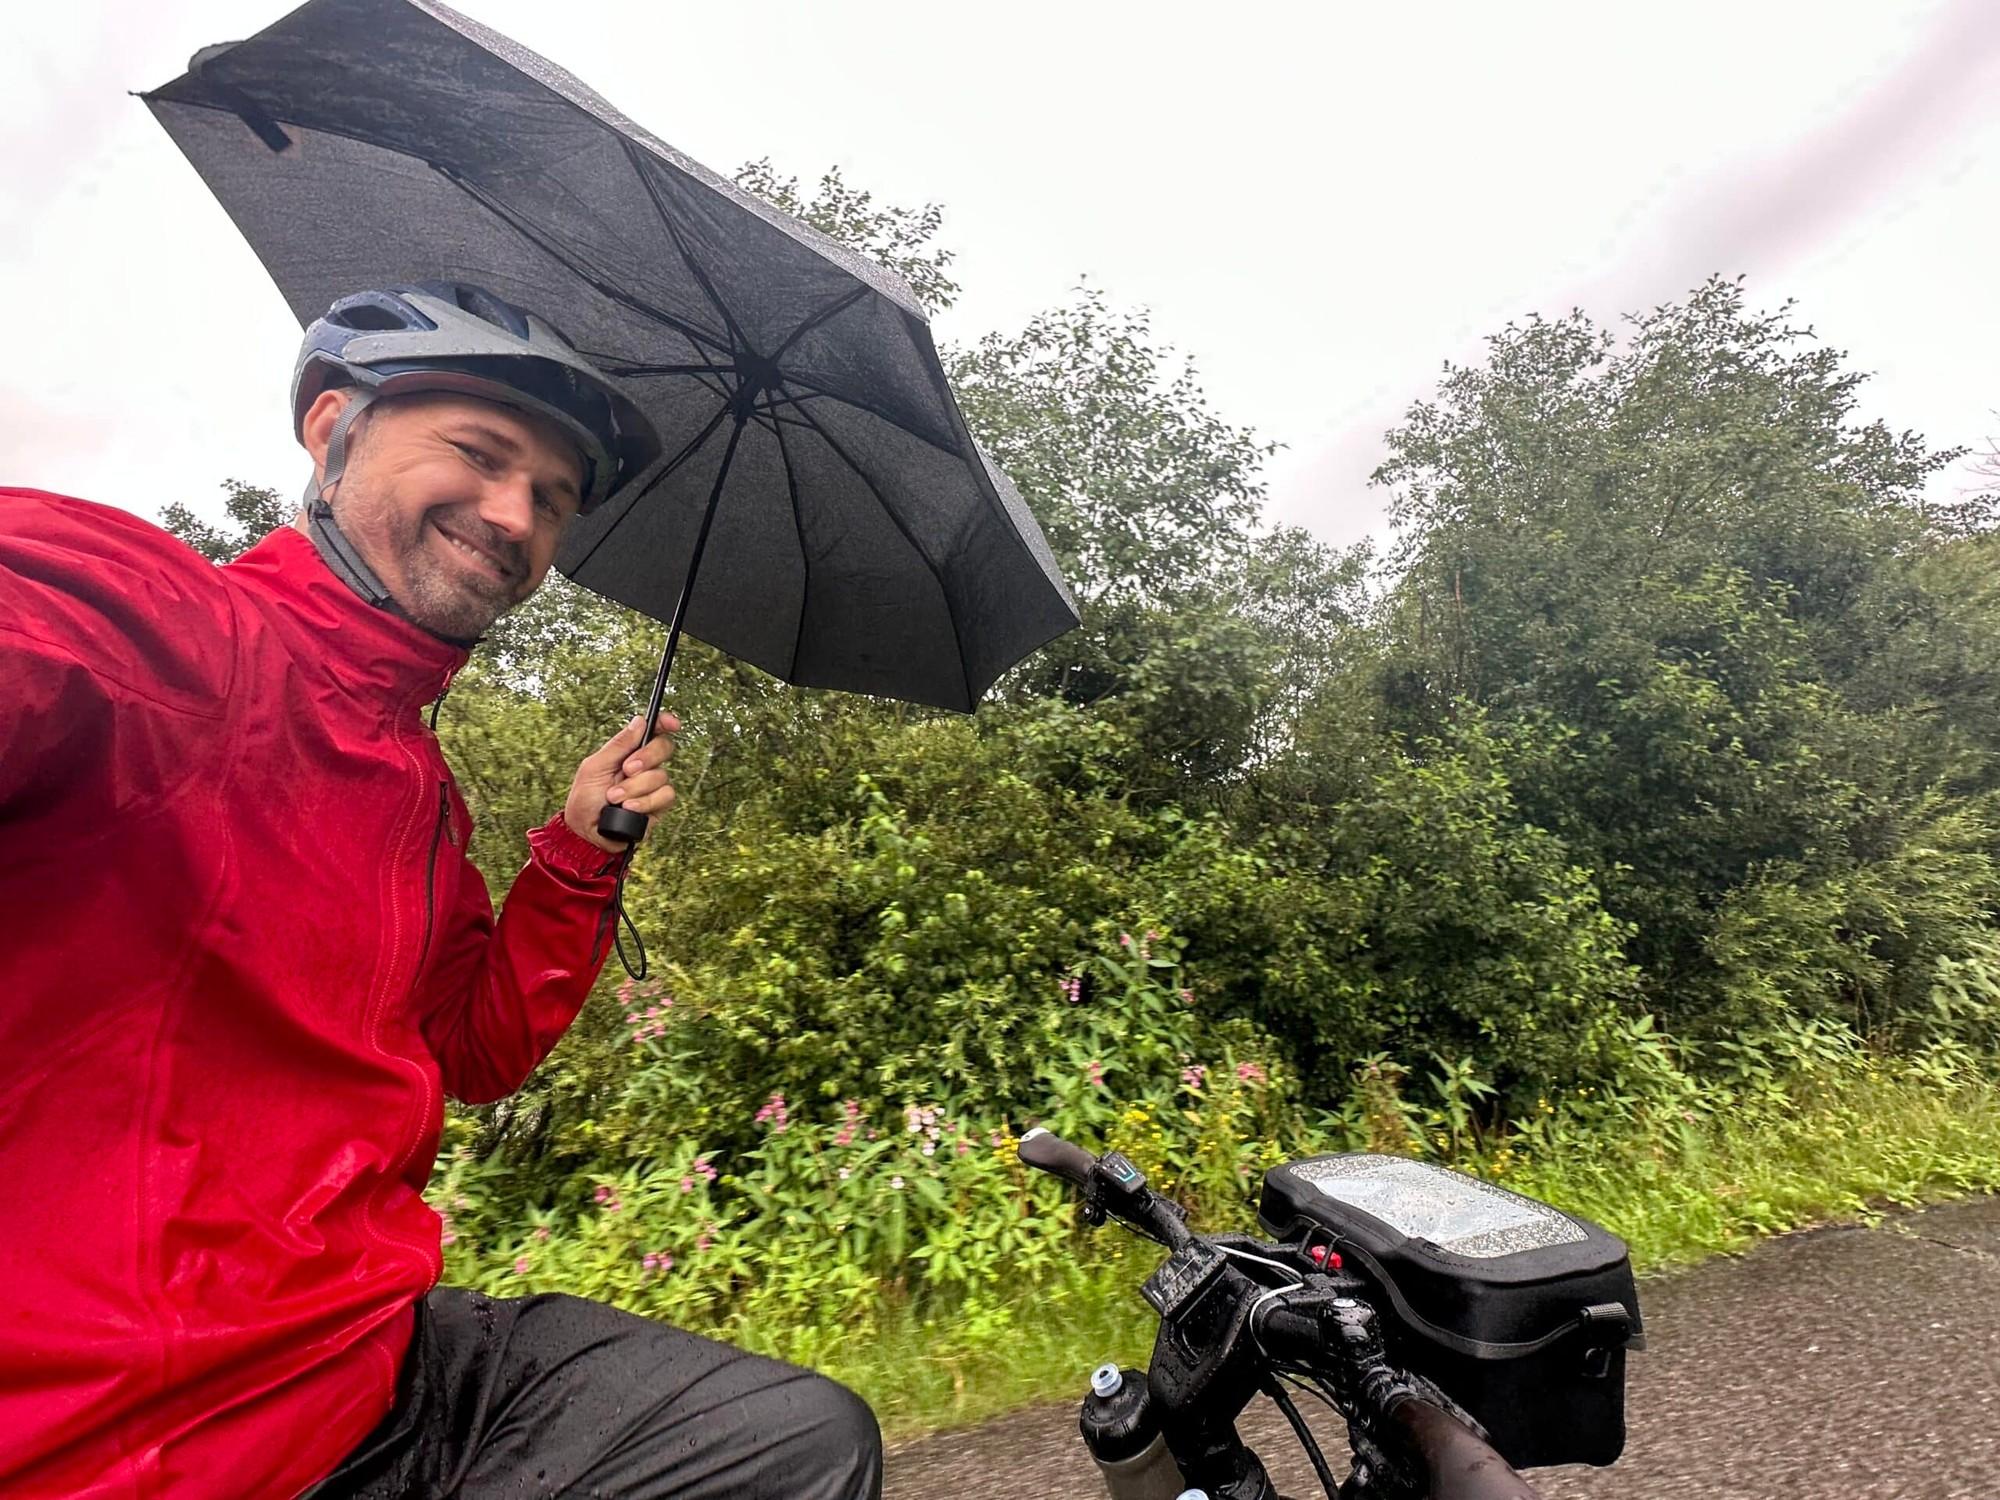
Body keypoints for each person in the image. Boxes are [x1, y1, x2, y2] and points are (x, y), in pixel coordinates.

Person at [0, 282, 884, 1498]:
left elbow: (473, 1050)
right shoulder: (166, 634)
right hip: (144, 1444)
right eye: (477, 452)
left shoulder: (418, 794)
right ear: (329, 430)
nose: (517, 515)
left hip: (372, 1365)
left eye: (557, 500)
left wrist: (579, 852)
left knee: (794, 1441)